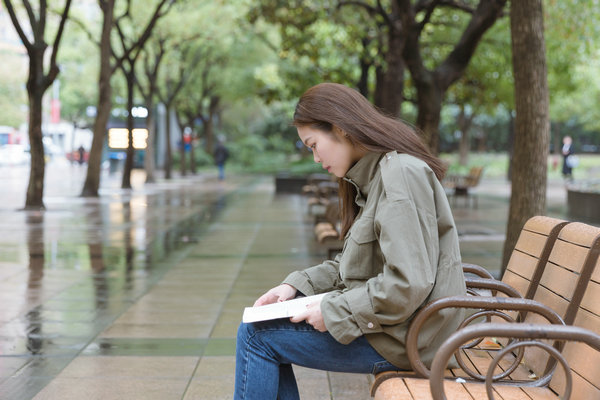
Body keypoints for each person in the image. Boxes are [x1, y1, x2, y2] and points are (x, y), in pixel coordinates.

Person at [234, 83, 466, 400]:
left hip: (409, 340)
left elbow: (408, 284)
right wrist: (295, 287)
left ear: (340, 129)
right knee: (263, 332)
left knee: (257, 336)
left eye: (314, 145)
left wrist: (333, 310)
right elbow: (355, 268)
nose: (315, 158)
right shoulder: (376, 179)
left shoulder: (399, 176)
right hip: (400, 330)